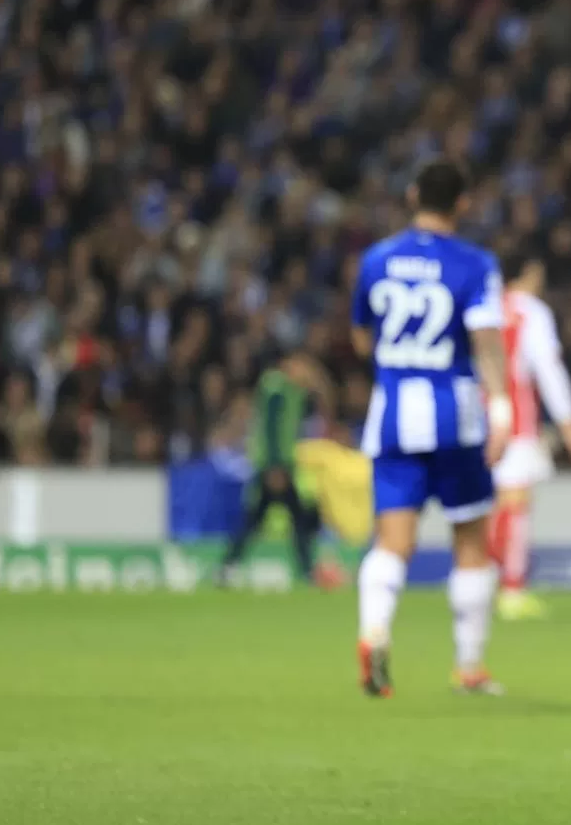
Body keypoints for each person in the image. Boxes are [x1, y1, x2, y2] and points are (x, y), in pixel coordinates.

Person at [349, 159, 513, 697]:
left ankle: (374, 630)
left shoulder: (376, 259)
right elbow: (486, 339)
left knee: (393, 542)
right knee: (470, 541)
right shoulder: (474, 264)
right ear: (462, 204)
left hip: (393, 414)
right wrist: (502, 405)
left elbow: (359, 338)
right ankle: (469, 667)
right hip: (454, 417)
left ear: (412, 193)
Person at [489, 254, 571, 620]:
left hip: (476, 419)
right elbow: (548, 369)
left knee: (488, 505)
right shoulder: (530, 312)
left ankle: (480, 578)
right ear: (530, 272)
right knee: (516, 502)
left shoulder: (483, 304)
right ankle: (512, 589)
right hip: (516, 420)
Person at [219, 352, 327, 586]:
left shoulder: (288, 389)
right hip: (275, 465)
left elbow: (316, 398)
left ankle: (229, 567)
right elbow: (272, 429)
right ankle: (306, 571)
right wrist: (274, 466)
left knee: (261, 520)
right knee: (293, 518)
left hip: (279, 463)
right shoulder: (277, 388)